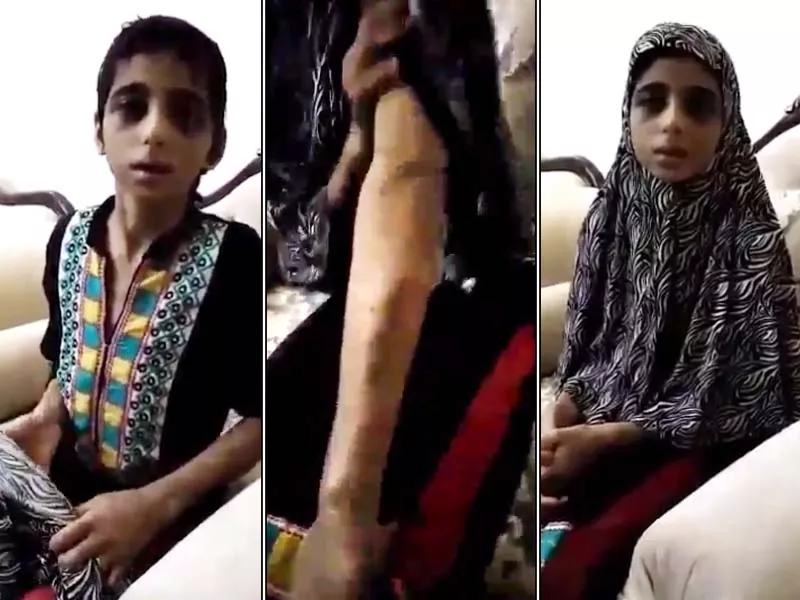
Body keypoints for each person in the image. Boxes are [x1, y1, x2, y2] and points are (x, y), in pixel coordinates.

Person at [266, 1, 535, 598]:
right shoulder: (282, 30)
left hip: (465, 284)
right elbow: (296, 246)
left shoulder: (412, 22)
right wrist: (355, 140)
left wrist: (344, 509)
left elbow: (410, 174)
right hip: (346, 285)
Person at [1, 15, 262, 596]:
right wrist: (44, 419)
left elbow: (261, 419)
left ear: (215, 145)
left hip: (161, 514)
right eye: (132, 107)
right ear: (99, 129)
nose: (155, 132)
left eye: (184, 114)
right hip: (59, 490)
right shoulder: (68, 238)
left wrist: (152, 505)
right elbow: (65, 360)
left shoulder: (236, 258)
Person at [539, 22, 800, 600]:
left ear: (726, 124)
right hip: (616, 414)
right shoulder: (610, 215)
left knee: (584, 565)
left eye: (698, 106)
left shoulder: (750, 237)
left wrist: (603, 441)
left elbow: (734, 400)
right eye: (652, 101)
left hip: (717, 435)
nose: (672, 122)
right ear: (627, 113)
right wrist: (562, 414)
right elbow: (586, 342)